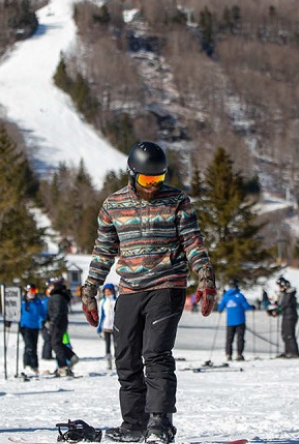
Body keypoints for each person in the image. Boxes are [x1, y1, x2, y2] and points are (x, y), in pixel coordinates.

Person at [80, 141, 217, 444]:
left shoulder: (177, 200)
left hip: (167, 285)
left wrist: (206, 278)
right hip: (129, 289)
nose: (153, 186)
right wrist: (89, 289)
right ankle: (133, 425)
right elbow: (103, 252)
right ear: (132, 175)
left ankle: (160, 423)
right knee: (126, 358)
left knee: (155, 354)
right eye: (147, 180)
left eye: (158, 179)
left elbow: (193, 242)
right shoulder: (113, 206)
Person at [45, 276, 78, 377]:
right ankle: (70, 357)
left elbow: (57, 311)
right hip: (60, 322)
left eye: (50, 286)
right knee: (57, 343)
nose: (48, 288)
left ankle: (63, 366)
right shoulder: (58, 296)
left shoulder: (56, 297)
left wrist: (52, 322)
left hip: (58, 323)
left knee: (56, 344)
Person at [217, 279, 254, 361]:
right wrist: (252, 307)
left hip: (230, 322)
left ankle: (228, 354)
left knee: (229, 339)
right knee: (240, 338)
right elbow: (246, 307)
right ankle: (239, 354)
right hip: (240, 320)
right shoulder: (240, 296)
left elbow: (220, 308)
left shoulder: (225, 296)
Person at [269, 277, 299, 359]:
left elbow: (284, 305)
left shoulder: (288, 294)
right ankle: (288, 350)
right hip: (287, 315)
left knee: (289, 334)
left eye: (280, 286)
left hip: (290, 316)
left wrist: (277, 311)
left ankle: (293, 352)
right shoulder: (286, 294)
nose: (279, 288)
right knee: (285, 334)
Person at [19, 283, 46, 375]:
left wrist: (45, 319)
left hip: (35, 326)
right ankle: (27, 364)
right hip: (25, 326)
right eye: (31, 291)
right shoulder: (22, 302)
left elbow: (42, 313)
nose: (33, 293)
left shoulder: (37, 301)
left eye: (35, 291)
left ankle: (35, 366)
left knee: (34, 346)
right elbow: (16, 312)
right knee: (29, 346)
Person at [97, 283, 117, 370]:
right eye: (105, 291)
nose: (107, 293)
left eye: (109, 291)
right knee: (107, 345)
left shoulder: (116, 301)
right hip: (106, 326)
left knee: (117, 345)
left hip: (116, 326)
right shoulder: (102, 302)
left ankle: (118, 361)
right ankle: (109, 362)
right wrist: (99, 326)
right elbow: (101, 315)